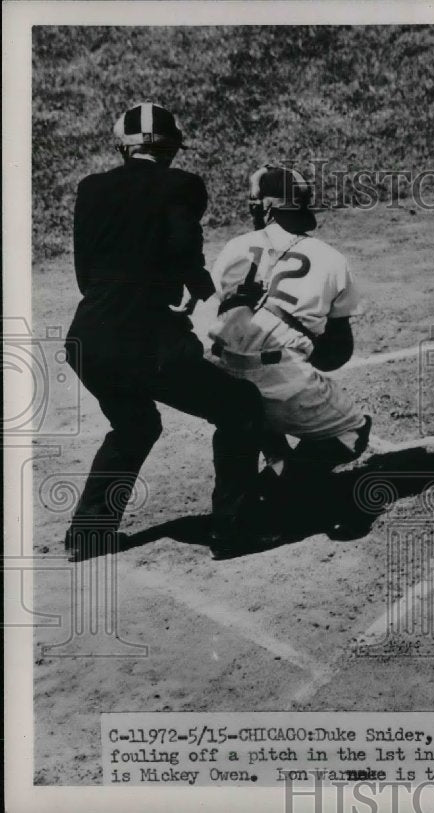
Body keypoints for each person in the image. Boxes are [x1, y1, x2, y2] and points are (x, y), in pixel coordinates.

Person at [65, 102, 279, 562]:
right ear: (171, 147)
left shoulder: (91, 188)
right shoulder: (182, 185)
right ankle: (231, 529)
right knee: (240, 406)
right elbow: (184, 250)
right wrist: (203, 294)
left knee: (135, 423)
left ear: (123, 144)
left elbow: (88, 274)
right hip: (145, 344)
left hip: (87, 340)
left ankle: (87, 534)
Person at [199, 164, 372, 525]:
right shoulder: (331, 258)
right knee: (354, 430)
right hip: (282, 384)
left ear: (263, 208)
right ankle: (285, 483)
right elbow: (337, 354)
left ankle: (277, 463)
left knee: (253, 397)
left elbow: (214, 313)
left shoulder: (234, 247)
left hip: (219, 383)